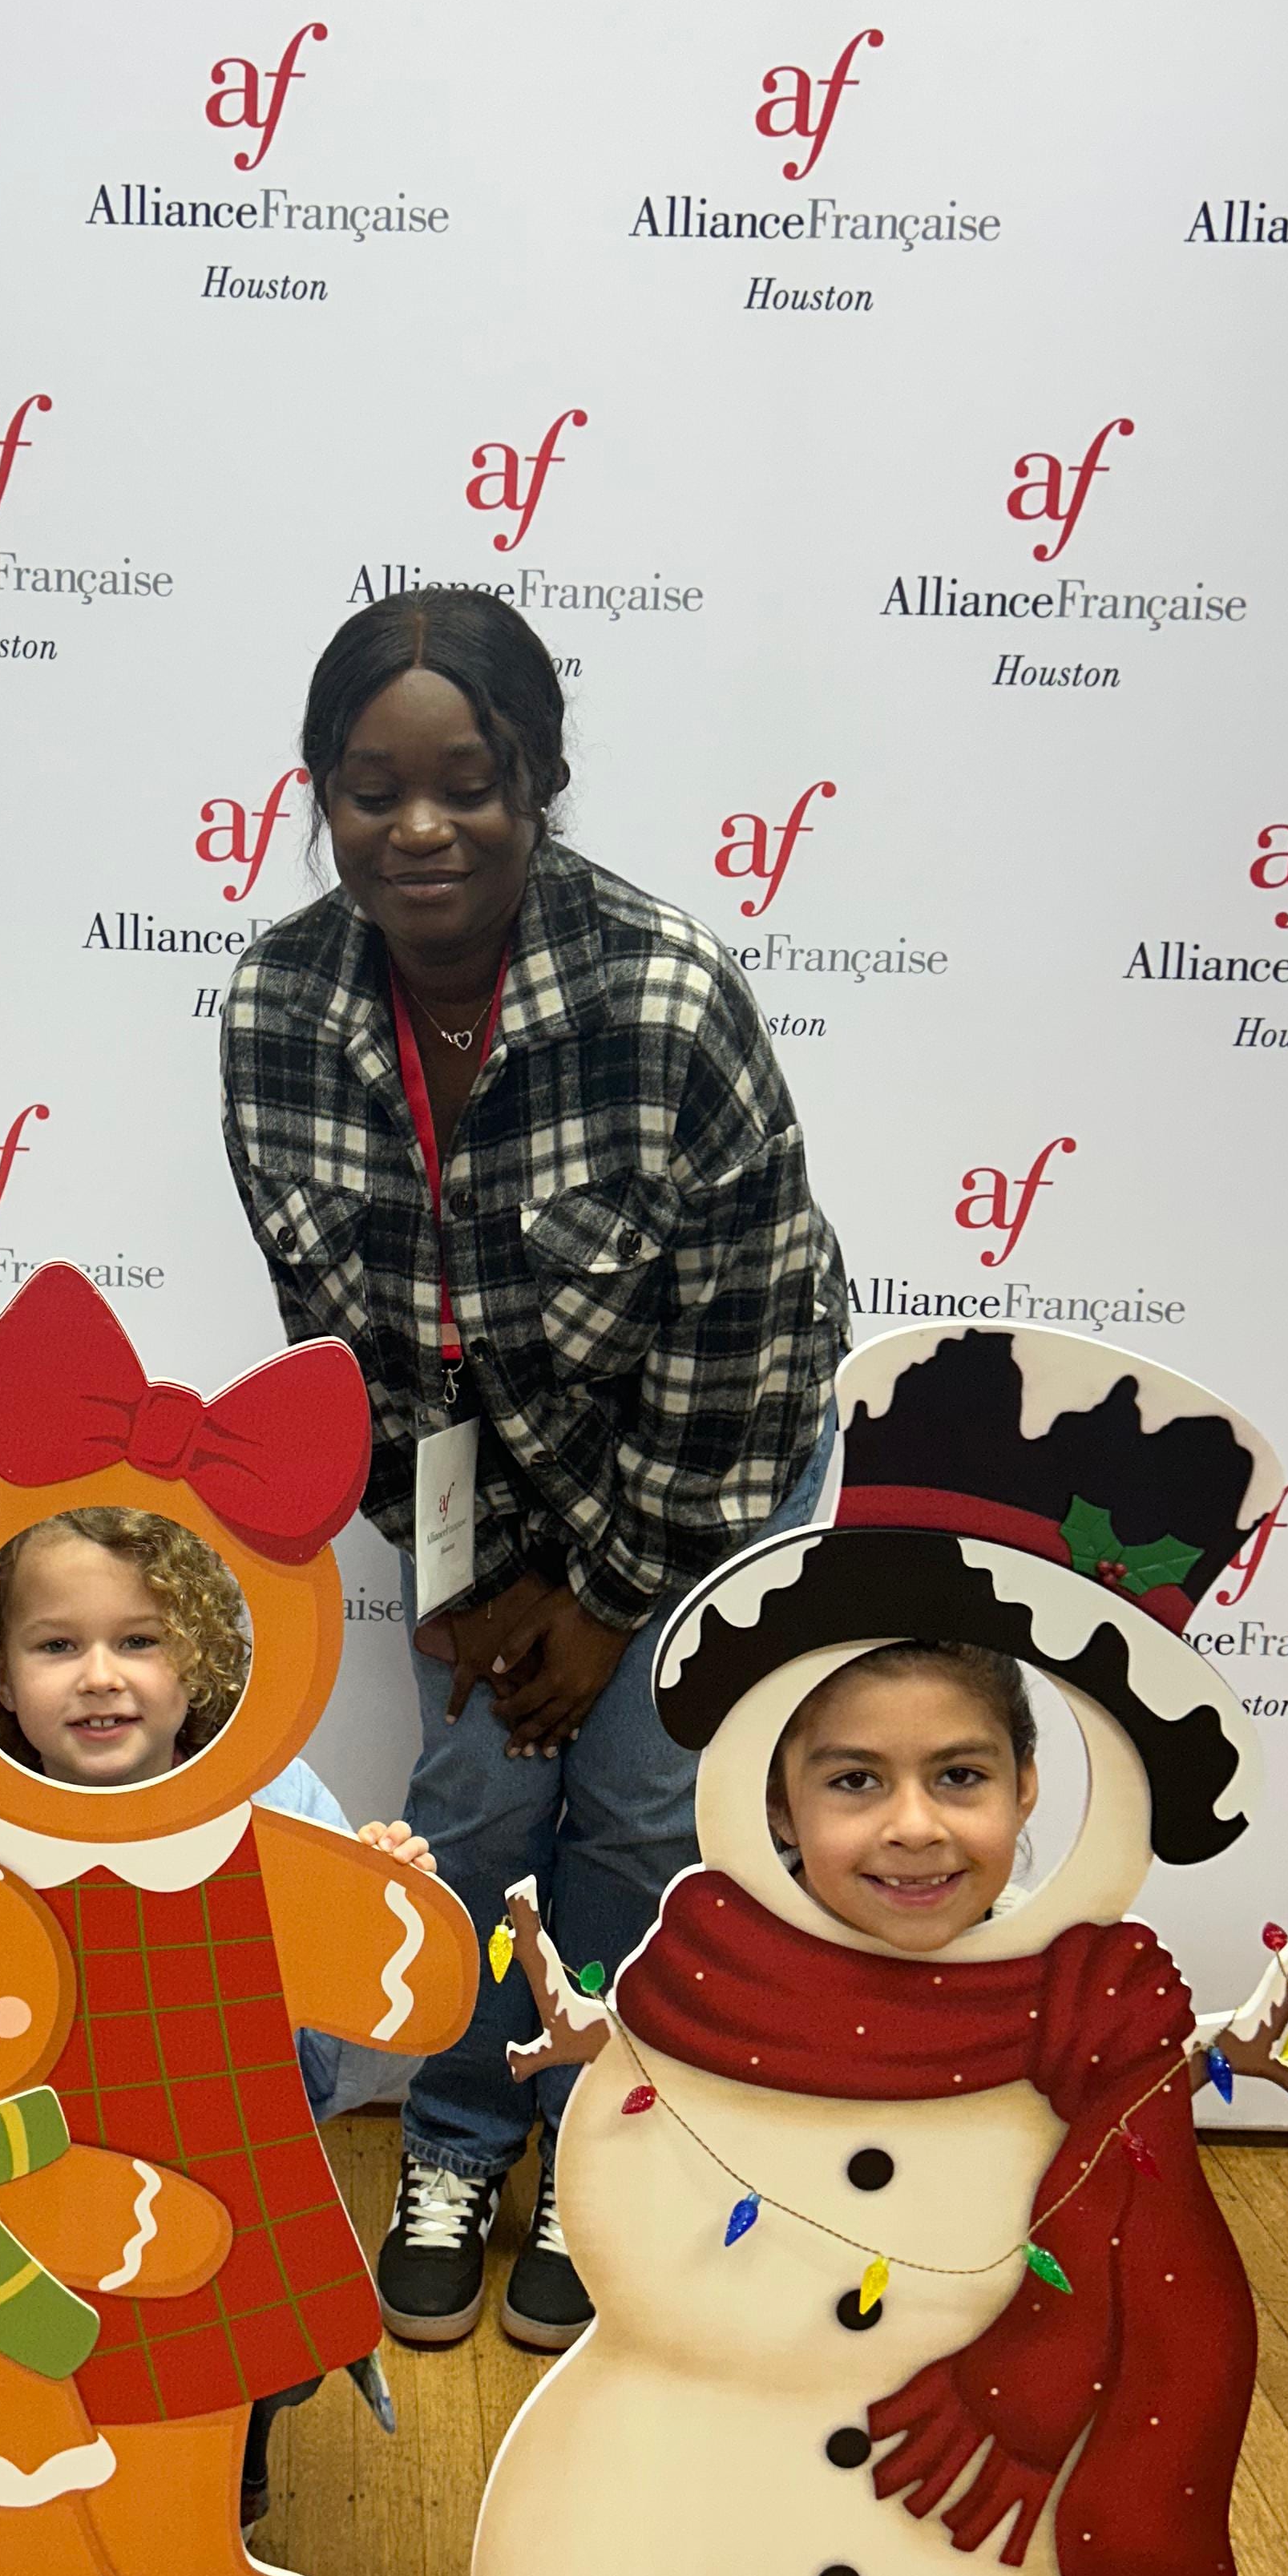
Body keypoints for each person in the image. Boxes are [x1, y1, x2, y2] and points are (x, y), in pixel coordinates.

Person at [220, 587, 847, 2352]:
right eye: (371, 790)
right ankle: (455, 2136)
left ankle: (595, 2149)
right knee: (477, 1811)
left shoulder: (664, 996)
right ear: (321, 796)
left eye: (469, 785)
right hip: (478, 1493)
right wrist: (468, 1587)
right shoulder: (275, 1008)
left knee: (641, 1814)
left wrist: (606, 1604)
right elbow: (341, 1343)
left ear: (539, 784)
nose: (419, 829)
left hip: (705, 1463)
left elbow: (733, 1351)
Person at [0, 1500, 437, 2519]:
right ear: (1, 1677)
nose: (100, 1676)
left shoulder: (276, 1803)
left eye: (140, 1641)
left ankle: (235, 2464)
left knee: (251, 2334)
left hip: (226, 2177)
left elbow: (347, 2055)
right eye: (57, 1646)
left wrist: (379, 1918)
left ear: (200, 1661)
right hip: (29, 2187)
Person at [765, 1642, 1038, 1950]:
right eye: (856, 1781)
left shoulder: (1067, 1958)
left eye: (959, 1776)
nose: (915, 1830)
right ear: (780, 1805)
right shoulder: (720, 1953)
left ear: (1023, 1788)